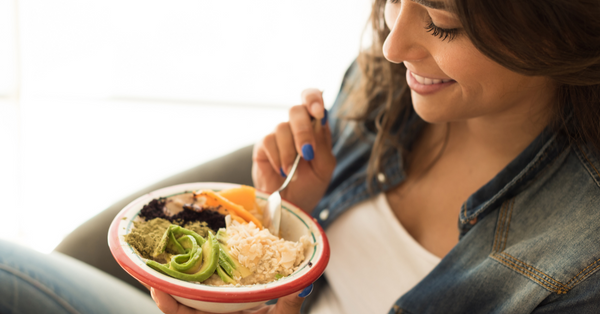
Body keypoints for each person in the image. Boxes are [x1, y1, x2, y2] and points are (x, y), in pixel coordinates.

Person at [150, 0, 600, 313]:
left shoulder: (584, 256)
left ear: (558, 29)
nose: (392, 47)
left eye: (442, 21)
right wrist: (287, 223)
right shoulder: (381, 85)